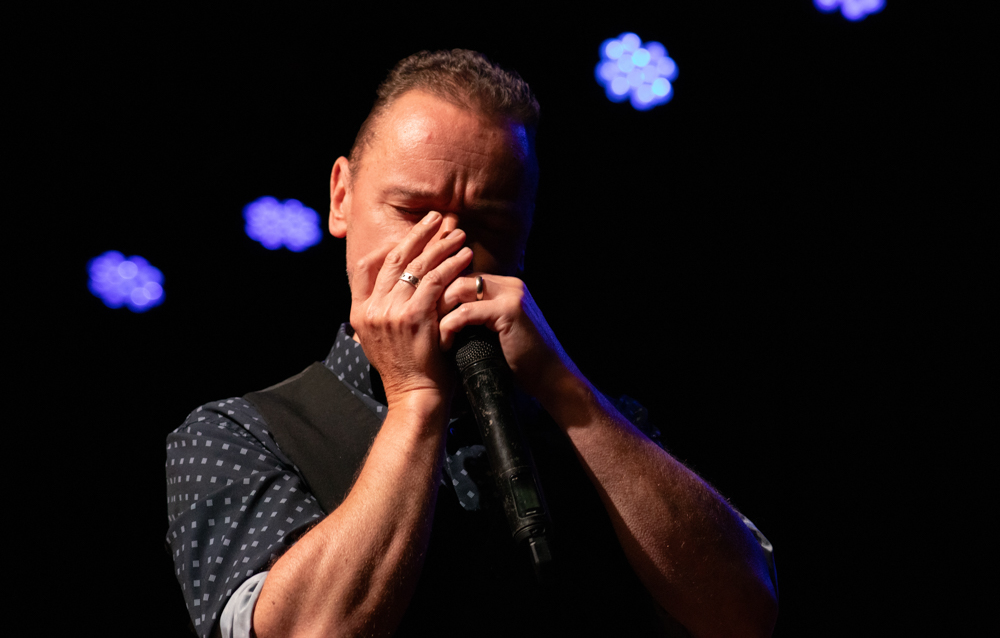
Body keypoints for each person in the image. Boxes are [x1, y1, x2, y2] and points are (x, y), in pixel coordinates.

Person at [166, 49, 778, 638]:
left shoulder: (607, 423)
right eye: (412, 211)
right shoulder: (235, 434)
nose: (449, 255)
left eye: (488, 226)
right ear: (342, 196)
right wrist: (415, 398)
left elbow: (744, 616)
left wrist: (568, 393)